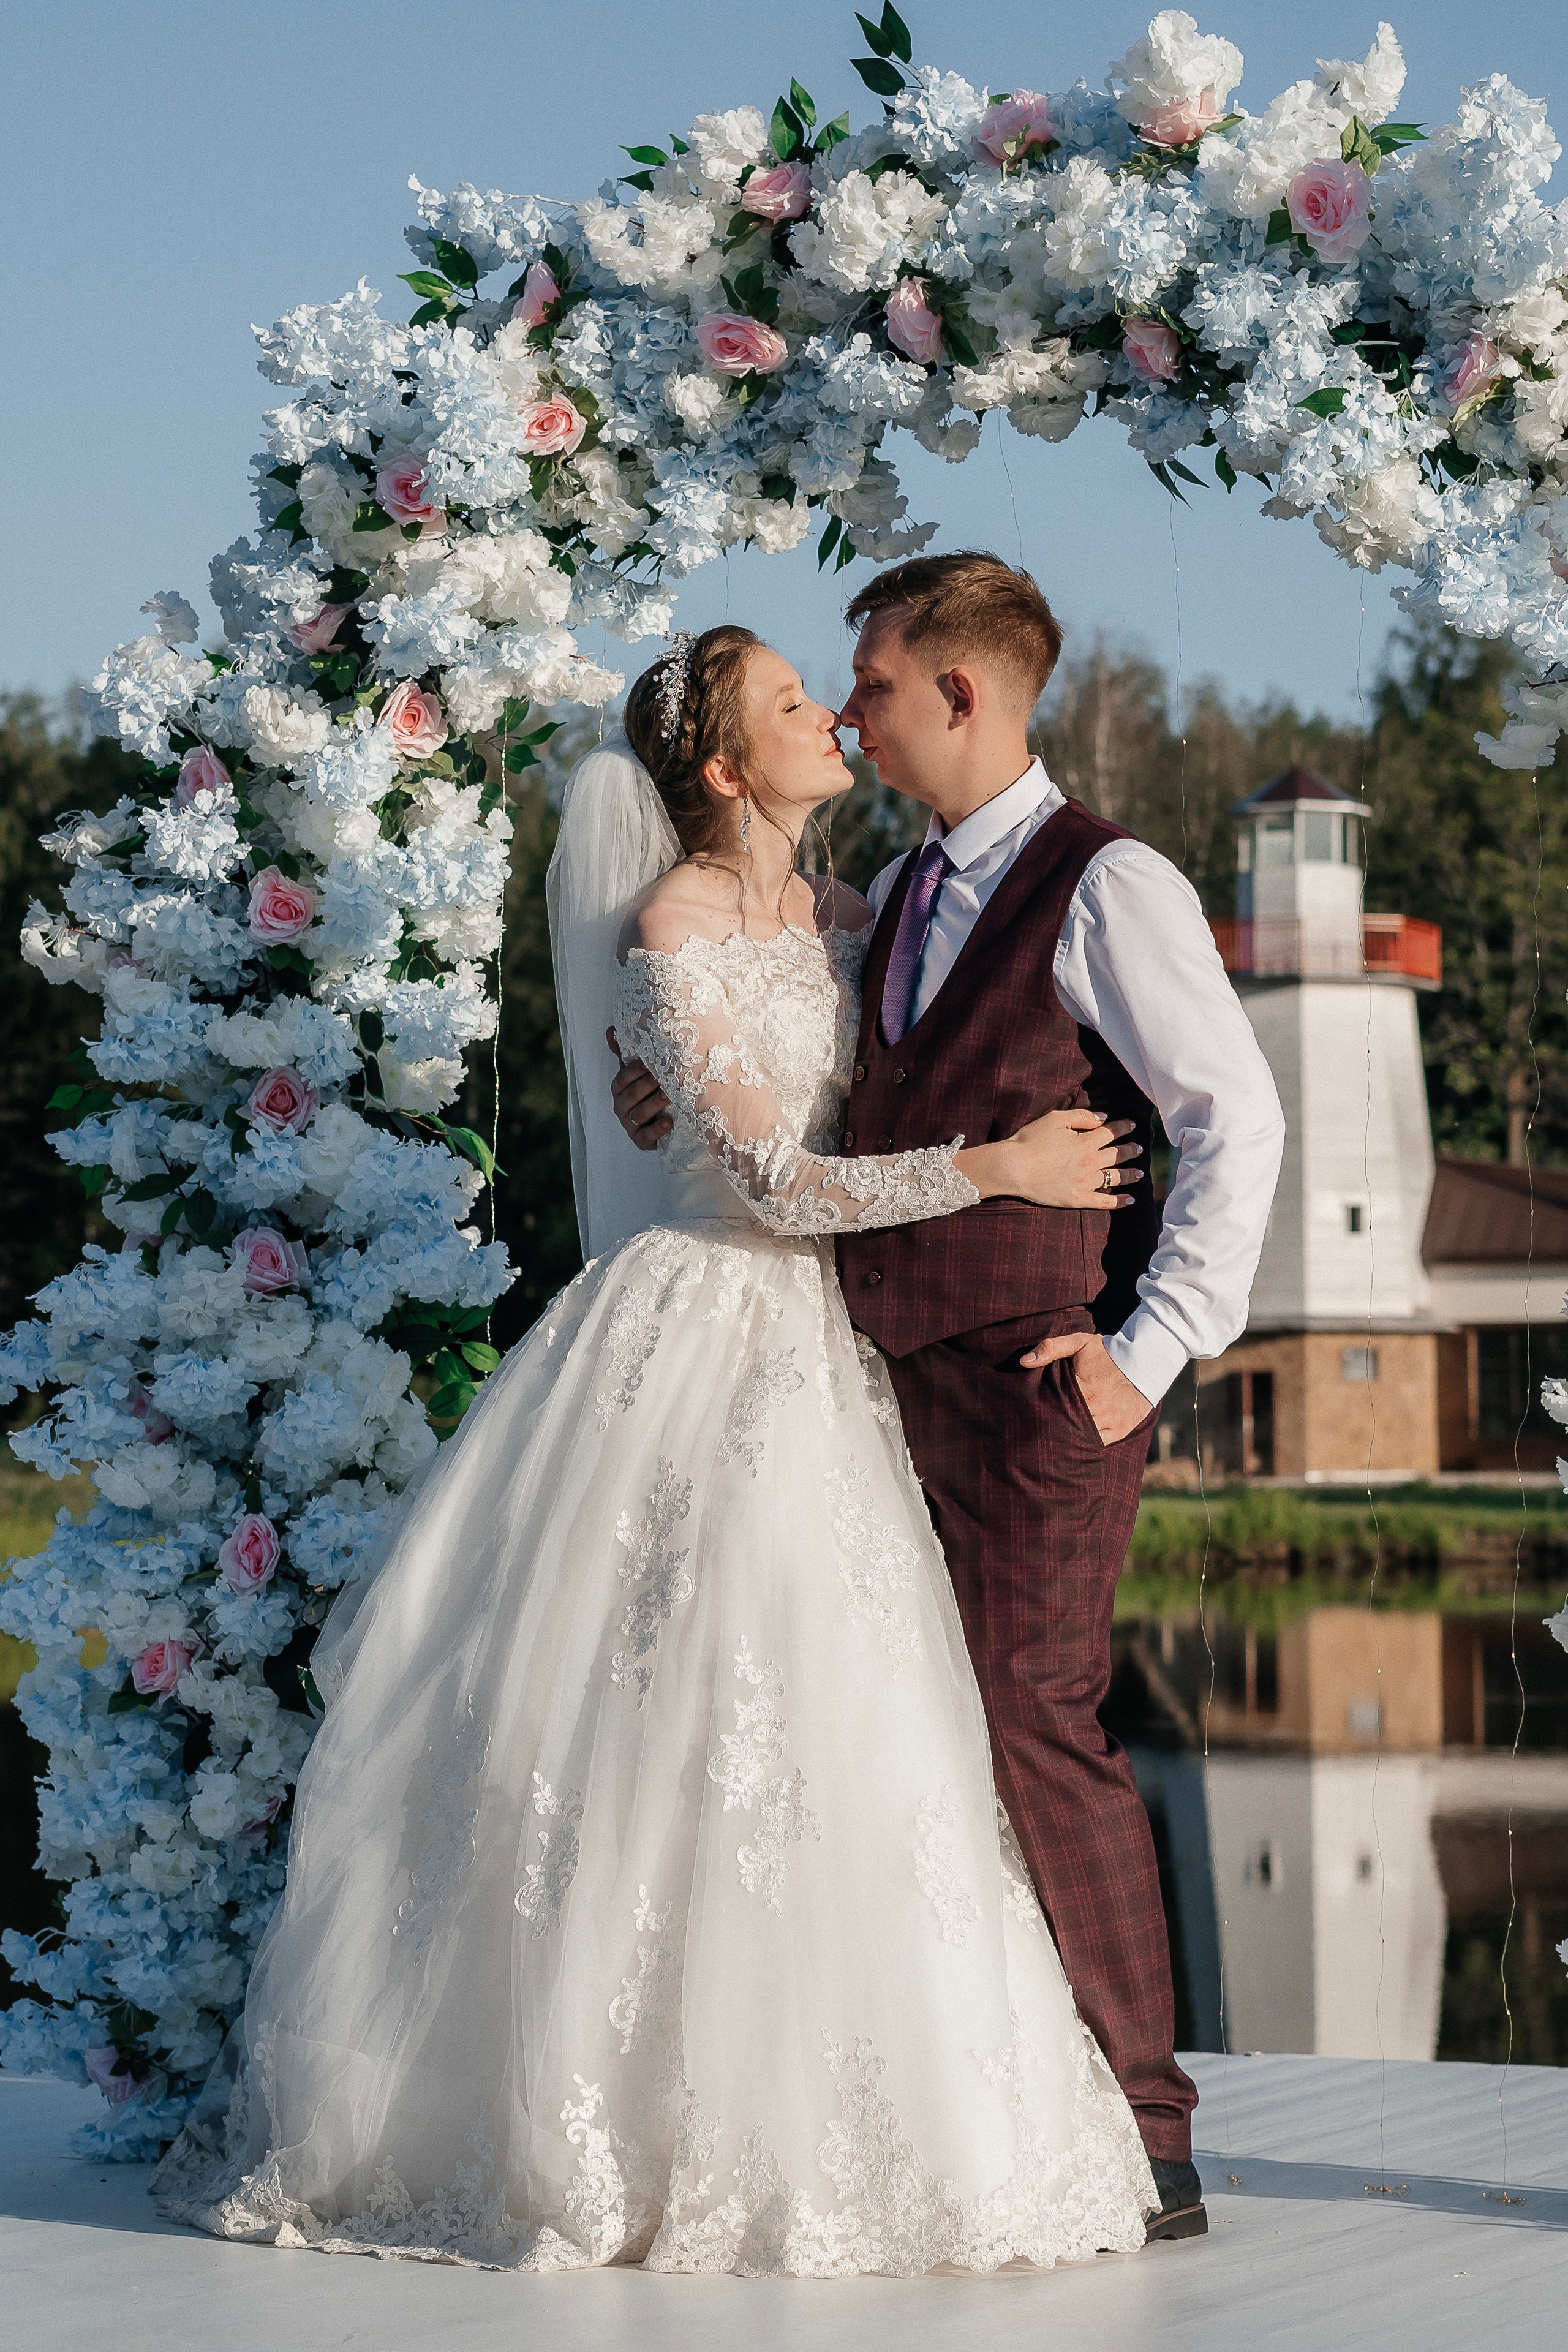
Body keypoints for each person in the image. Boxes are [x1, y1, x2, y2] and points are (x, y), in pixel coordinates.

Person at [150, 622, 1163, 2277]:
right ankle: (612, 2116)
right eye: (794, 705)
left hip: (839, 1352)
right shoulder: (671, 923)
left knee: (845, 1720)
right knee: (664, 1708)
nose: (833, 719)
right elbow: (768, 1185)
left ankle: (844, 2105)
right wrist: (1002, 1170)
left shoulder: (860, 919)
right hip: (706, 1328)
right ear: (722, 766)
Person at [612, 556, 1287, 2237]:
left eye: (874, 685)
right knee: (899, 1739)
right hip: (858, 1389)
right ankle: (971, 2111)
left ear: (961, 694)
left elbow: (1237, 1123)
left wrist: (1147, 1353)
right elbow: (791, 1089)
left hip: (1038, 1383)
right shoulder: (891, 897)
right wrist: (659, 1074)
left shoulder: (1107, 883)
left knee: (1039, 1726)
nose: (852, 715)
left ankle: (1149, 2137)